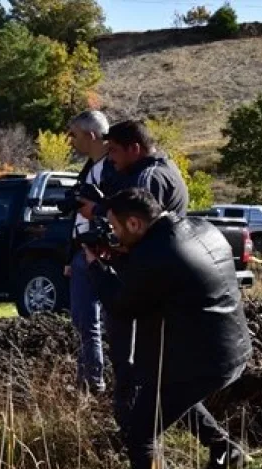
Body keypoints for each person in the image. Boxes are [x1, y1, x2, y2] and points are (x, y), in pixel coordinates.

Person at [85, 189, 249, 469]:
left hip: (199, 361)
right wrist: (122, 255)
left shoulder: (156, 254)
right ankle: (226, 452)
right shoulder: (198, 227)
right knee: (178, 398)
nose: (114, 234)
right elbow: (165, 277)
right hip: (232, 349)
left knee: (140, 435)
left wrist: (94, 267)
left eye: (116, 228)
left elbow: (122, 305)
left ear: (135, 222)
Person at [79, 120, 190, 415]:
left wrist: (98, 213)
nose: (111, 159)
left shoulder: (147, 179)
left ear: (135, 148)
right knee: (145, 361)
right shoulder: (166, 168)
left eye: (114, 151)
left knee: (130, 358)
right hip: (154, 278)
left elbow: (136, 227)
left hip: (142, 281)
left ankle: (131, 421)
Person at [64, 111, 116, 394]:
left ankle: (104, 384)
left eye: (74, 134)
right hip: (82, 252)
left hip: (105, 254)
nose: (70, 141)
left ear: (91, 135)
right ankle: (90, 382)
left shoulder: (114, 168)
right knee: (84, 321)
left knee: (111, 322)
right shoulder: (90, 167)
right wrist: (70, 257)